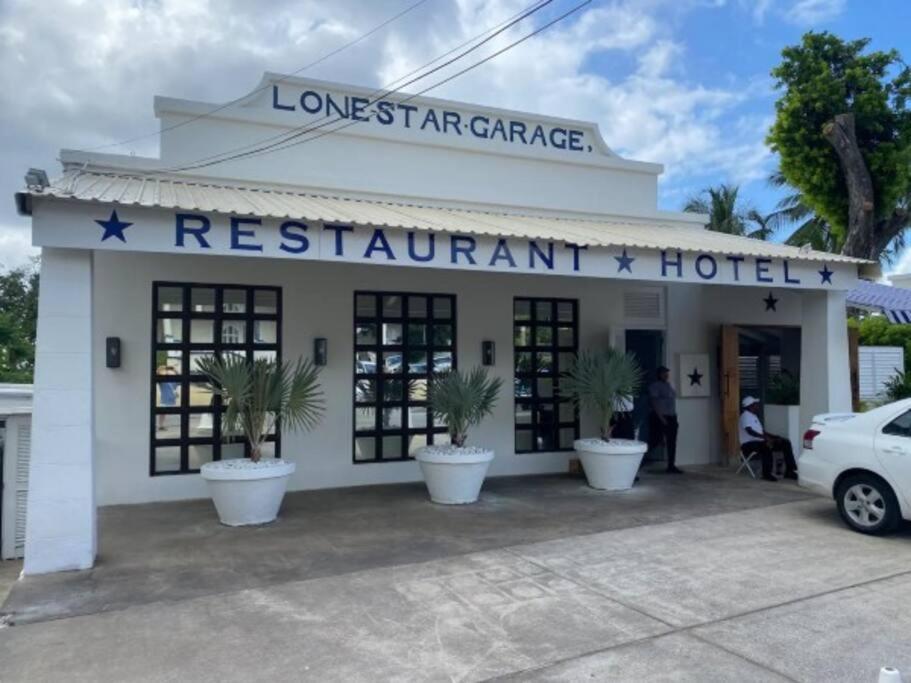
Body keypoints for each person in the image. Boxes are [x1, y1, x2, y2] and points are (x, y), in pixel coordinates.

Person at [739, 396, 797, 482]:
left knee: (785, 442)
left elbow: (762, 432)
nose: (757, 406)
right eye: (755, 404)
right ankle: (766, 474)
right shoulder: (745, 416)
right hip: (748, 444)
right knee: (766, 445)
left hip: (760, 441)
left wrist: (774, 437)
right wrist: (766, 438)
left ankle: (789, 471)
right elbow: (750, 431)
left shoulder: (754, 416)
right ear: (750, 405)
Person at [648, 366, 682, 473]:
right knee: (655, 441)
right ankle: (640, 461)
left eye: (667, 372)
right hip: (660, 417)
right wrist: (661, 418)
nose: (666, 375)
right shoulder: (655, 386)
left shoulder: (669, 386)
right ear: (659, 374)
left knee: (672, 442)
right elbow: (654, 403)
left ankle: (671, 466)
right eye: (664, 373)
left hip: (672, 416)